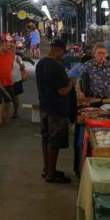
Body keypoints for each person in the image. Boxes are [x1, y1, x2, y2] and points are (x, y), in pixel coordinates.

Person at [35, 40, 75, 183]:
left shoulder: (40, 64)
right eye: (63, 53)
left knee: (46, 139)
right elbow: (62, 91)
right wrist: (71, 83)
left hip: (44, 107)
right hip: (57, 110)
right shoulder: (56, 67)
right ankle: (51, 174)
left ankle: (47, 169)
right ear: (59, 50)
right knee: (55, 142)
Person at [10, 43, 26, 120]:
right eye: (11, 48)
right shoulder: (5, 57)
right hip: (7, 80)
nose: (13, 50)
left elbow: (23, 68)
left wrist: (19, 63)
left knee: (15, 97)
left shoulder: (18, 58)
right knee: (6, 97)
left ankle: (15, 111)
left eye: (14, 48)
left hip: (17, 80)